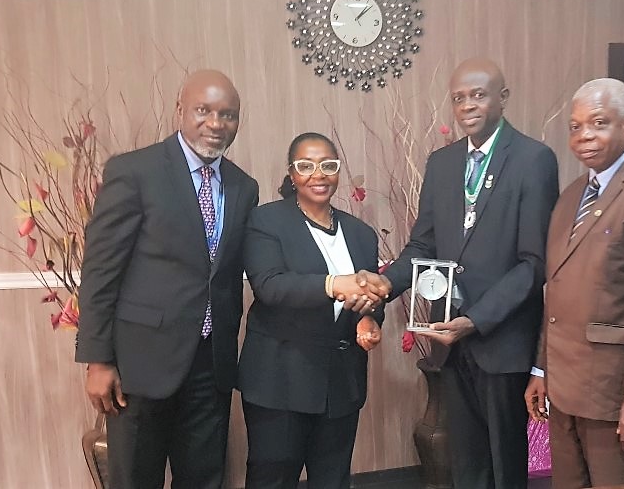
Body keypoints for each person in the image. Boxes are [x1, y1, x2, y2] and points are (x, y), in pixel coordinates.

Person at [373, 57, 560, 488]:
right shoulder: (442, 163)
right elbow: (422, 245)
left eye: (478, 95)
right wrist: (385, 283)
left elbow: (534, 264)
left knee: (506, 466)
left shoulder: (534, 160)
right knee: (467, 466)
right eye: (459, 98)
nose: (467, 106)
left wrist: (474, 321)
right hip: (451, 346)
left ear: (503, 98)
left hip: (502, 341)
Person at [75, 69, 259, 488]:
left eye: (228, 115)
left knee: (203, 478)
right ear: (180, 110)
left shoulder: (243, 186)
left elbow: (229, 273)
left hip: (211, 364)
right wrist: (98, 360)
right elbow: (101, 270)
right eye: (204, 111)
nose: (216, 124)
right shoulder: (135, 171)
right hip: (140, 364)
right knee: (136, 478)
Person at [525, 78, 624, 488]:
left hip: (615, 398)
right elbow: (557, 293)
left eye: (598, 123)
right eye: (576, 126)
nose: (584, 137)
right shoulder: (572, 195)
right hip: (563, 391)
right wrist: (541, 368)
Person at [238, 132, 386, 489]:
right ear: (291, 174)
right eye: (306, 166)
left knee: (333, 480)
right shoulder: (265, 222)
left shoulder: (361, 234)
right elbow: (270, 286)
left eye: (328, 166)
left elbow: (369, 299)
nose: (318, 174)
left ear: (338, 172)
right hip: (280, 380)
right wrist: (335, 284)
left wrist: (368, 318)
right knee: (272, 479)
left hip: (341, 383)